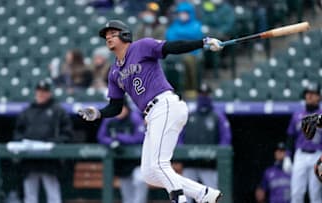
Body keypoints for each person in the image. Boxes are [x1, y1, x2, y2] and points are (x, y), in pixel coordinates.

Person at [78, 19, 223, 203]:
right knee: (149, 173)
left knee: (159, 164)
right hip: (153, 114)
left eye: (112, 34)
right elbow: (116, 106)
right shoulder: (114, 71)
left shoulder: (141, 46)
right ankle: (202, 193)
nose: (108, 38)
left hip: (165, 104)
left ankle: (179, 199)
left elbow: (172, 47)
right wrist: (98, 113)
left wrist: (202, 42)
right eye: (106, 36)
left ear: (124, 35)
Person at [14, 79, 73, 203]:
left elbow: (67, 134)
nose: (41, 94)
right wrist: (22, 142)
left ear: (49, 93)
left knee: (53, 194)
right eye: (39, 91)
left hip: (49, 159)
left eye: (44, 91)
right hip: (29, 159)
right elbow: (18, 132)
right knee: (30, 195)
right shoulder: (27, 111)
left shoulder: (58, 110)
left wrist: (52, 143)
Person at [182, 83, 231, 203]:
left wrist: (217, 153)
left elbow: (226, 138)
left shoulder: (217, 116)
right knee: (185, 197)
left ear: (210, 95)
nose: (203, 96)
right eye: (201, 94)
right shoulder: (190, 115)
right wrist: (180, 154)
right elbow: (179, 137)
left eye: (206, 94)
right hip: (190, 164)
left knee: (211, 197)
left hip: (209, 165)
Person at [97, 102, 147, 203]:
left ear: (126, 108)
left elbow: (140, 138)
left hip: (138, 162)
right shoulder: (110, 119)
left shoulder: (134, 118)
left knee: (140, 180)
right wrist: (112, 142)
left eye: (121, 108)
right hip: (122, 164)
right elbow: (101, 136)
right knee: (126, 195)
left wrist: (119, 137)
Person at [287, 82, 322, 203]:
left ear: (319, 97)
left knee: (315, 194)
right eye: (308, 93)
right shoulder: (297, 115)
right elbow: (290, 137)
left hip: (318, 155)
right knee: (296, 193)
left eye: (313, 94)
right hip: (300, 155)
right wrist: (287, 156)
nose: (310, 96)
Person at [165, 1, 204, 92]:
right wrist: (185, 36)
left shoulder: (196, 24)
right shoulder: (174, 24)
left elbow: (195, 36)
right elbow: (170, 36)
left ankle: (190, 88)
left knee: (188, 60)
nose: (182, 15)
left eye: (185, 13)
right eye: (180, 13)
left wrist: (179, 35)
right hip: (175, 52)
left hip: (192, 53)